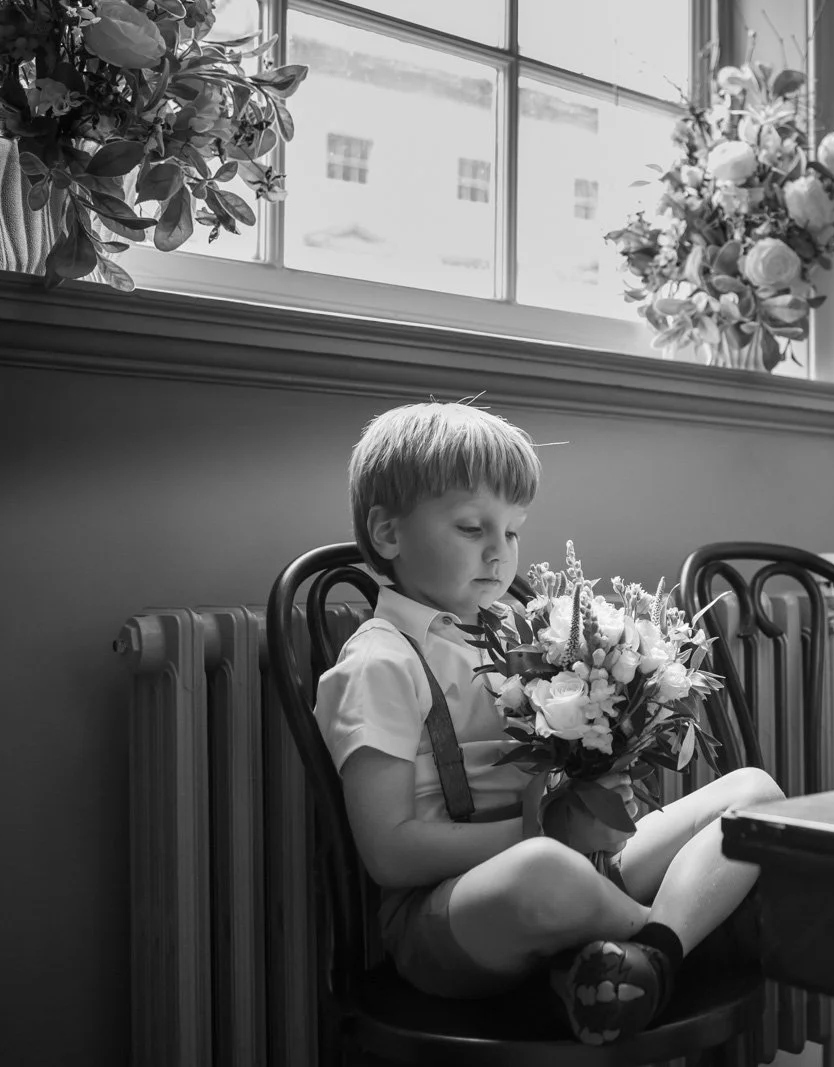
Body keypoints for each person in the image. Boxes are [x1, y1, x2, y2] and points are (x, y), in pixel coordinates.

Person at [315, 401, 782, 1045]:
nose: (498, 552)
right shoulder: (380, 660)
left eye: (510, 532)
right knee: (543, 869)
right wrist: (544, 831)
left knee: (755, 795)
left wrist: (606, 756)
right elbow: (390, 854)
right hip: (453, 914)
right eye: (470, 527)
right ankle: (672, 940)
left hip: (573, 866)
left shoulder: (518, 636)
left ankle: (638, 960)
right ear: (389, 535)